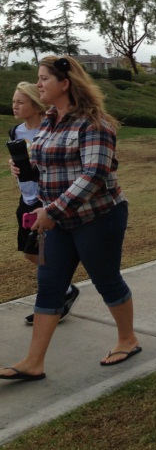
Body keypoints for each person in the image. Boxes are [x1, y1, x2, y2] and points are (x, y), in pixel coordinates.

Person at [1, 56, 138, 382]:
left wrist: (51, 210)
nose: (39, 85)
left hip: (99, 216)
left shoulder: (95, 124)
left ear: (65, 83)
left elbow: (93, 175)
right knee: (49, 286)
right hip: (58, 221)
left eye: (44, 78)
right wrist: (28, 168)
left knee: (105, 279)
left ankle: (128, 339)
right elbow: (51, 165)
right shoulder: (50, 119)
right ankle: (33, 361)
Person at [8, 82, 82, 326]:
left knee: (42, 252)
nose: (14, 106)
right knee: (30, 252)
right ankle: (63, 290)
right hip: (26, 199)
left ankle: (53, 299)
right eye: (13, 102)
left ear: (36, 105)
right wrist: (14, 168)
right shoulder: (16, 132)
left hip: (46, 199)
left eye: (20, 102)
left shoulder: (50, 129)